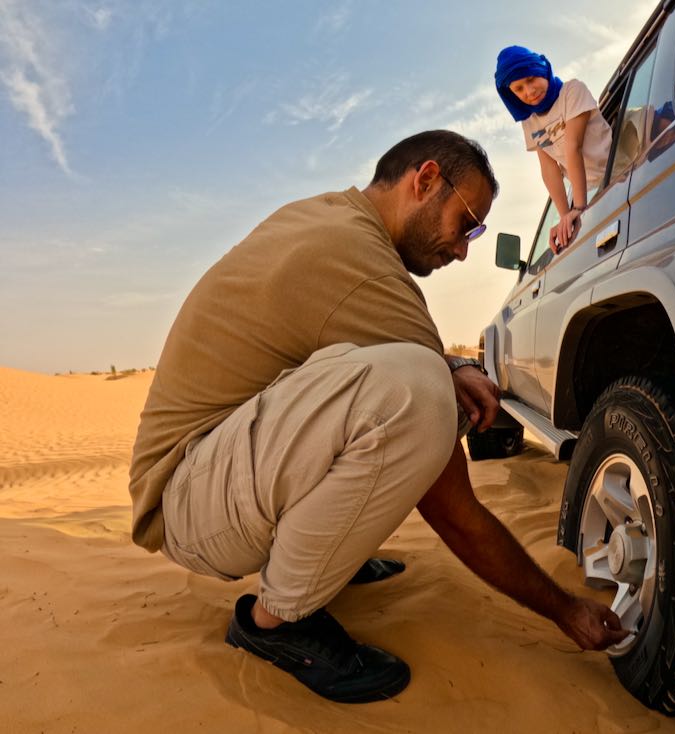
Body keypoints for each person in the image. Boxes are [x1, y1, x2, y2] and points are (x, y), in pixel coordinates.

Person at [127, 130, 628, 704]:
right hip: (191, 505)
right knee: (415, 391)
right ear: (426, 180)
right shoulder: (359, 263)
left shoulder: (332, 222)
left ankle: (323, 558)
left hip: (211, 483)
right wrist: (564, 609)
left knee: (413, 378)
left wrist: (452, 364)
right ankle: (276, 624)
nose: (465, 249)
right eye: (467, 224)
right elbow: (454, 508)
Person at [495, 45, 612, 253]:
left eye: (530, 80)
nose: (529, 92)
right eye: (518, 89)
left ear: (540, 70)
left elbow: (572, 147)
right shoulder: (529, 121)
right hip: (601, 186)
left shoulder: (572, 91)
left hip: (623, 162)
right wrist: (565, 216)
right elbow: (549, 169)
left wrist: (578, 207)